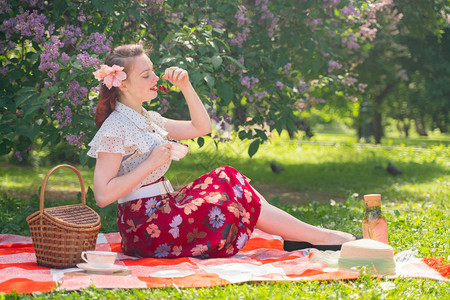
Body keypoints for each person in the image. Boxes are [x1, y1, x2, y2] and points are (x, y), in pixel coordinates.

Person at [87, 43, 357, 259]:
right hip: (146, 228)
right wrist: (150, 163)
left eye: (153, 71)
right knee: (227, 181)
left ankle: (307, 235)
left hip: (162, 210)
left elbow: (201, 127)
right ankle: (316, 236)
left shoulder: (147, 118)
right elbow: (102, 195)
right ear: (121, 84)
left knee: (227, 176)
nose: (155, 78)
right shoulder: (116, 128)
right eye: (146, 75)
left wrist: (186, 86)